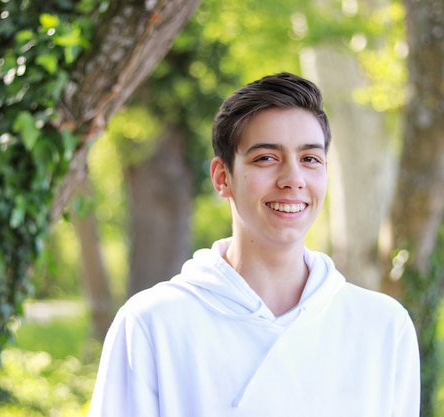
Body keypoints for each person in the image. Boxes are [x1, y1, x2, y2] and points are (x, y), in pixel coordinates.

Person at [87, 72, 420, 416]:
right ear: (222, 177)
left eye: (310, 159)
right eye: (266, 158)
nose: (293, 180)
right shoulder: (151, 325)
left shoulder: (382, 327)